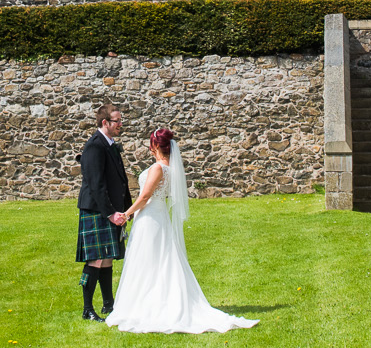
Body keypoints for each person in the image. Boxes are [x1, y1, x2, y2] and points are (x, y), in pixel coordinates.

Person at [104, 128, 257, 334]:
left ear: (156, 146)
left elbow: (145, 196)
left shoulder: (159, 168)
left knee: (149, 259)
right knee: (154, 259)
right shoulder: (170, 168)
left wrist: (126, 214)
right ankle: (149, 301)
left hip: (151, 218)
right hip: (155, 216)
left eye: (151, 144)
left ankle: (147, 305)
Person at [75, 103, 129, 319]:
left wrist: (126, 209)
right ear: (105, 122)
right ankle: (88, 309)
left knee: (107, 258)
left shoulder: (110, 144)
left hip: (109, 210)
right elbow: (96, 185)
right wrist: (110, 213)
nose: (120, 125)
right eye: (117, 121)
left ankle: (109, 304)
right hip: (97, 210)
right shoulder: (95, 146)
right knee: (95, 259)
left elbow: (120, 180)